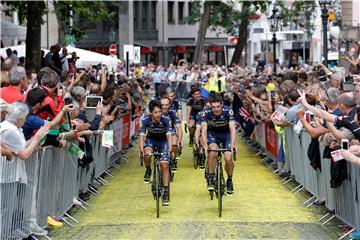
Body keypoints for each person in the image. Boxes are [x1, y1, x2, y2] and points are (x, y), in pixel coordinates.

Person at [201, 93, 237, 195]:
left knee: (228, 158)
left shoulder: (228, 111)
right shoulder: (206, 112)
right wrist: (204, 145)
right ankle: (211, 177)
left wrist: (233, 144)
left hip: (226, 135)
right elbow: (204, 131)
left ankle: (229, 179)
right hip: (213, 134)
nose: (216, 109)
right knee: (212, 153)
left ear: (222, 105)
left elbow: (233, 129)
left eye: (218, 107)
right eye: (213, 107)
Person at [139, 100, 172, 205]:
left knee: (165, 165)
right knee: (147, 154)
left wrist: (170, 150)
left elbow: (169, 137)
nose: (158, 114)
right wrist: (141, 150)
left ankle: (166, 191)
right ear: (151, 113)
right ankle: (148, 169)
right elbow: (142, 137)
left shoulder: (166, 120)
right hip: (151, 141)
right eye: (155, 112)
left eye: (159, 112)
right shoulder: (145, 120)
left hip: (163, 142)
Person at [160, 96, 182, 171]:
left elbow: (179, 128)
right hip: (158, 132)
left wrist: (179, 141)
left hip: (170, 131)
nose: (164, 107)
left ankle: (173, 160)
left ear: (169, 105)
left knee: (174, 144)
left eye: (166, 105)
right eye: (162, 105)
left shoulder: (173, 112)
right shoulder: (155, 111)